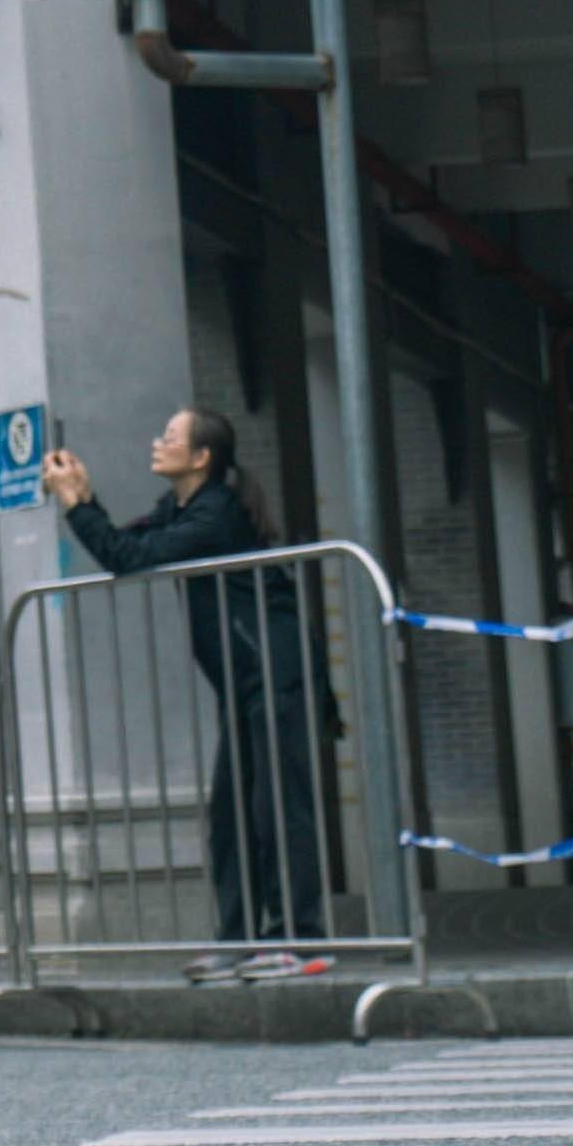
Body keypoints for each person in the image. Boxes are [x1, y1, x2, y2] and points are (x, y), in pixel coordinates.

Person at [38, 410, 334, 956]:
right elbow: (123, 547)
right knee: (231, 815)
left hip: (278, 671)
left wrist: (76, 504)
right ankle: (241, 938)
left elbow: (130, 558)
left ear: (201, 458)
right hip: (243, 678)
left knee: (276, 806)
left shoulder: (215, 516)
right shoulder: (180, 508)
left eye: (169, 437)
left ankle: (302, 937)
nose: (157, 443)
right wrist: (84, 496)